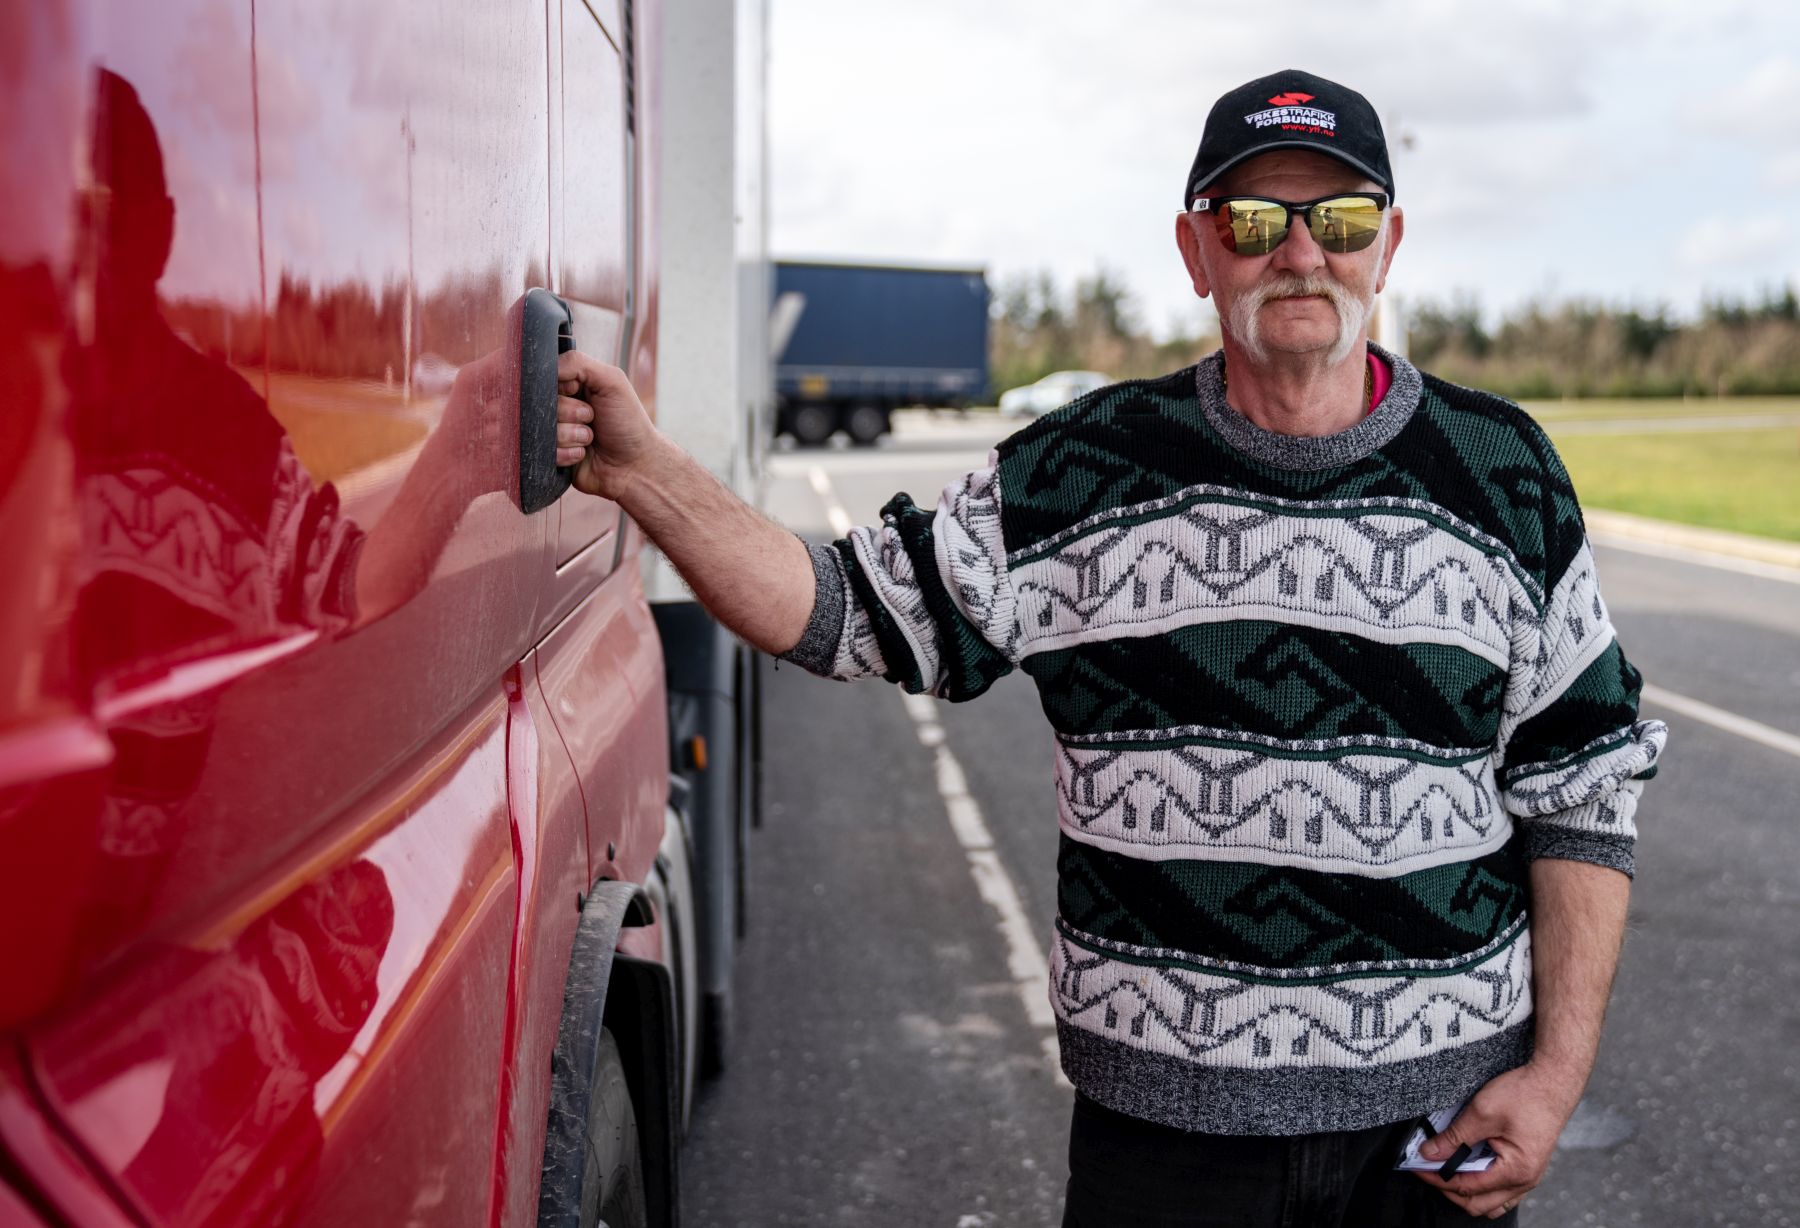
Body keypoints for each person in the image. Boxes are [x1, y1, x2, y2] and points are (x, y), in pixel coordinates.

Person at [551, 68, 1666, 1227]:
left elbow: (1584, 787)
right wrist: (638, 467)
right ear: (1196, 250)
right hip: (1165, 1153)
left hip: (1435, 1142)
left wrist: (1556, 1076)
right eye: (1252, 219)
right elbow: (838, 608)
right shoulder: (1082, 472)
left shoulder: (1505, 472)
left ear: (1387, 244)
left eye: (1338, 218)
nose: (1299, 253)